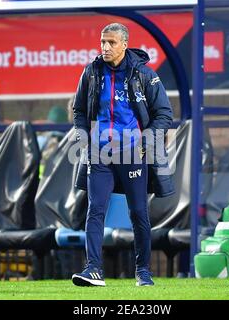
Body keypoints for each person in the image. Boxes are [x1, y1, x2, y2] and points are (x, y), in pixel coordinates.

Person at [71, 23, 174, 287]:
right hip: (100, 152)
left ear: (124, 44)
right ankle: (93, 269)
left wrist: (146, 140)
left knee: (138, 212)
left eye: (111, 42)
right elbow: (79, 110)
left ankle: (143, 272)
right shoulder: (91, 73)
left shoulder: (144, 75)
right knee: (95, 210)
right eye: (102, 42)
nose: (105, 47)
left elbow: (164, 114)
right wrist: (84, 137)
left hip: (132, 153)